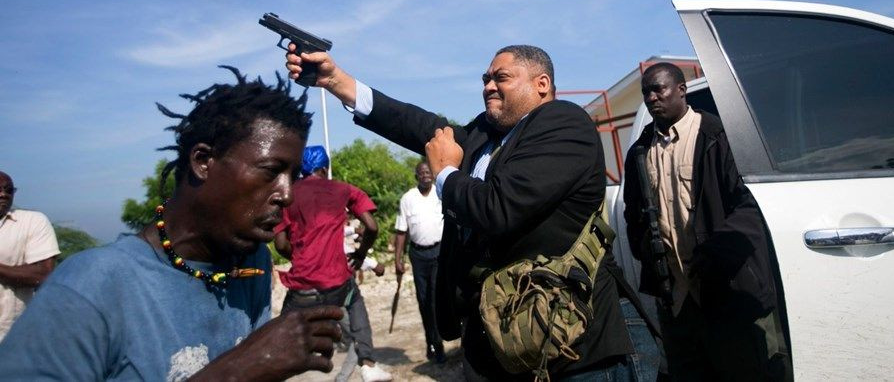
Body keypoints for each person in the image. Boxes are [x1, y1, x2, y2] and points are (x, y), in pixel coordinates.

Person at [287, 43, 658, 381]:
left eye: (501, 77)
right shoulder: (485, 133)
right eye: (485, 79)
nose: (488, 86)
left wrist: (446, 172)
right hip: (500, 342)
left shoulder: (564, 124)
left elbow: (497, 209)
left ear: (541, 84)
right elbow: (419, 125)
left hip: (572, 346)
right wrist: (337, 82)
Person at [0, 68, 343, 380]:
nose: (287, 194)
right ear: (203, 161)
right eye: (271, 171)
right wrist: (235, 372)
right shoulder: (90, 288)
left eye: (292, 176)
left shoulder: (252, 262)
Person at [622, 62, 790, 381]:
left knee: (749, 371)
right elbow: (634, 216)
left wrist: (715, 256)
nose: (652, 97)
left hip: (728, 291)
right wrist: (649, 253)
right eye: (646, 92)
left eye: (659, 89)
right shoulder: (640, 153)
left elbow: (750, 207)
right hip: (675, 299)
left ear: (682, 90)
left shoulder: (719, 136)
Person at [274, 145, 393, 382]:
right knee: (355, 303)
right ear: (324, 168)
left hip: (302, 286)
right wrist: (360, 254)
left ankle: (272, 368)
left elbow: (280, 244)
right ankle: (368, 364)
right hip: (337, 284)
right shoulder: (342, 189)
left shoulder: (288, 195)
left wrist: (299, 258)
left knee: (281, 333)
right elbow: (371, 226)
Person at [393, 160, 445, 363]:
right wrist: (398, 259)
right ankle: (430, 341)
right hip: (418, 255)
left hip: (439, 251)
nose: (425, 175)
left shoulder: (440, 193)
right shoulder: (408, 199)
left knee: (434, 298)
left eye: (428, 172)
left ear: (432, 174)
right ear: (416, 177)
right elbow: (401, 231)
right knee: (423, 301)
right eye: (421, 173)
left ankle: (439, 343)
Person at [0, 171, 59, 342]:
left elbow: (42, 274)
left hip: (11, 338)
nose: (3, 194)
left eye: (9, 190)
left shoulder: (32, 222)